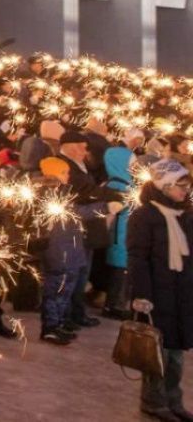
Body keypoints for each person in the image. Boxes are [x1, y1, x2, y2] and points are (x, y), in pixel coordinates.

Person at [127, 159, 193, 422]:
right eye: (180, 186)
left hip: (182, 293)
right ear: (164, 186)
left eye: (187, 186)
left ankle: (174, 400)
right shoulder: (144, 216)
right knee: (157, 351)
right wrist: (141, 295)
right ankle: (153, 401)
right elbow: (138, 258)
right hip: (156, 294)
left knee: (177, 352)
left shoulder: (185, 215)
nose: (185, 191)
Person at [36, 157, 119, 345]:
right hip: (58, 249)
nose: (68, 175)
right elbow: (76, 212)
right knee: (56, 290)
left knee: (64, 290)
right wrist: (105, 207)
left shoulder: (61, 192)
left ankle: (59, 323)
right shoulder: (49, 194)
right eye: (63, 172)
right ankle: (50, 327)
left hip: (69, 247)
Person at [102, 146, 135, 320]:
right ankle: (114, 304)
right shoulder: (118, 186)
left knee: (122, 270)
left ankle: (116, 303)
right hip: (120, 235)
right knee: (120, 270)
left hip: (124, 233)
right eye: (131, 164)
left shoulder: (125, 183)